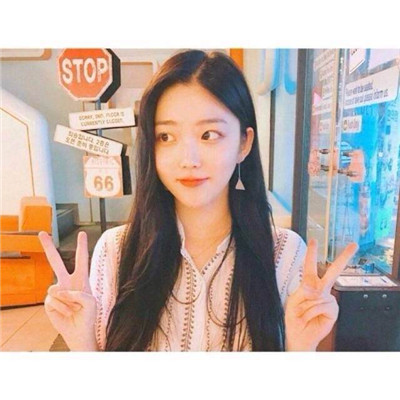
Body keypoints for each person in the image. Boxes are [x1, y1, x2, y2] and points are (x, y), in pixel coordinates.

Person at [38, 49, 358, 352]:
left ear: (244, 143)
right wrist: (81, 341)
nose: (188, 159)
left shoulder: (284, 254)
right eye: (166, 137)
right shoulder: (117, 251)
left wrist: (301, 347)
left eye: (209, 135)